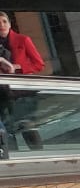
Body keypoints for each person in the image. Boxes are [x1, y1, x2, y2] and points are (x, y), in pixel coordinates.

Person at [0, 11, 48, 158]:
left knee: (27, 126)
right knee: (7, 130)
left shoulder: (23, 40)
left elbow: (39, 64)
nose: (1, 25)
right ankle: (14, 159)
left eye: (4, 21)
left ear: (10, 23)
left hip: (23, 93)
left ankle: (40, 158)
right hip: (3, 93)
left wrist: (18, 67)